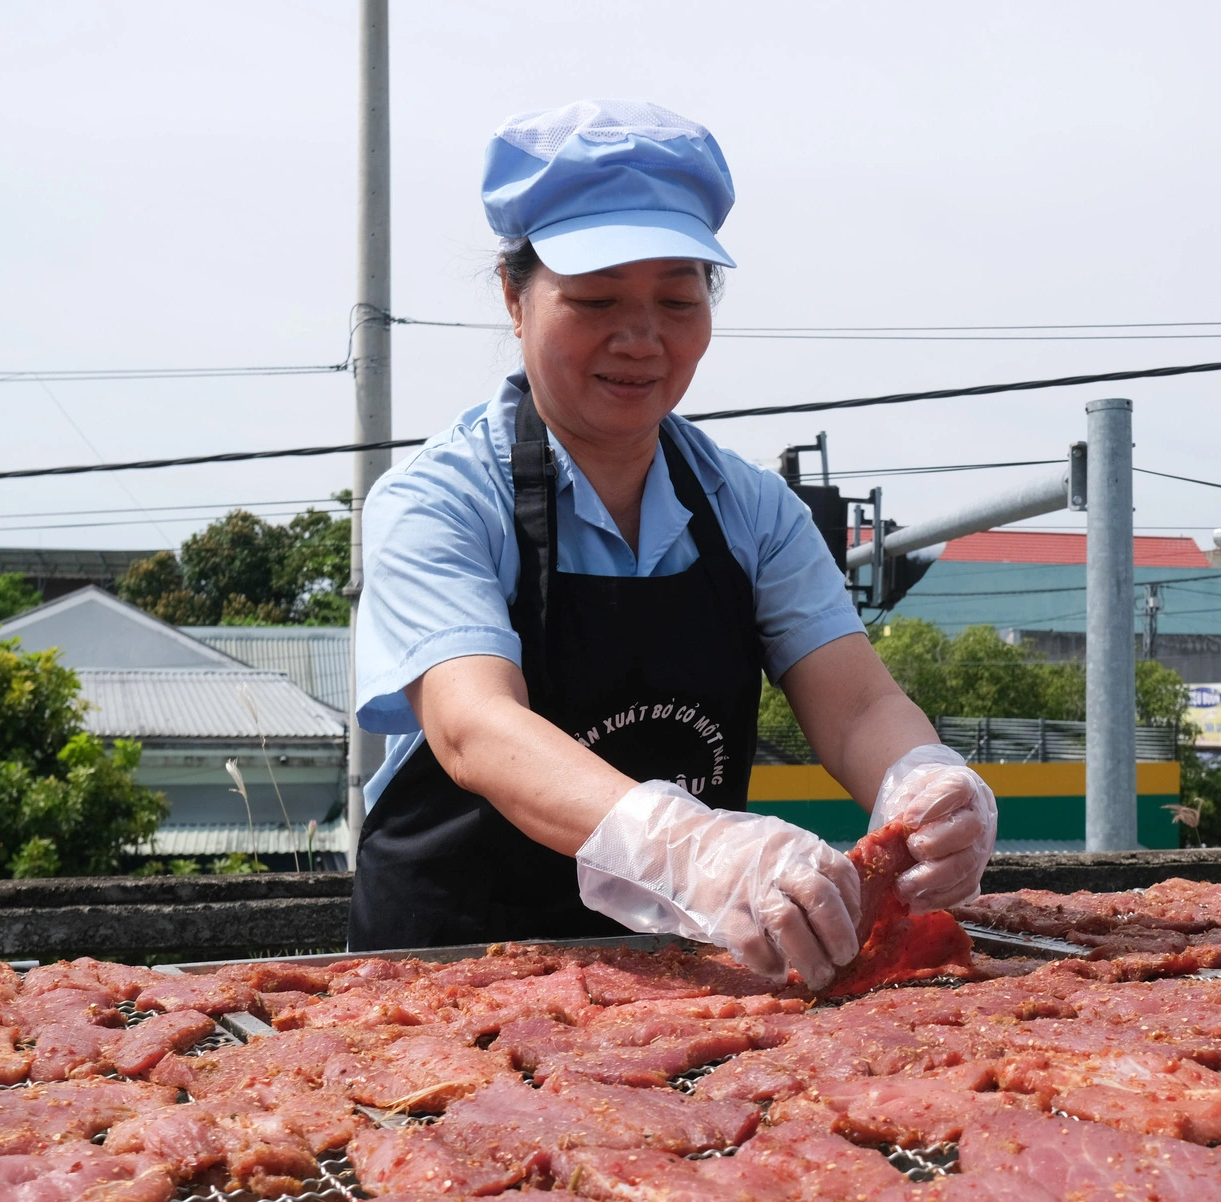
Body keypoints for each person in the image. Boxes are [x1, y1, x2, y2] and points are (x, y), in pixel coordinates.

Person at [348, 100, 996, 988]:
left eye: (677, 300)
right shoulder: (442, 501)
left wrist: (922, 780)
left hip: (689, 992)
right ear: (513, 296)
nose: (641, 338)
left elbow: (854, 706)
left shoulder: (752, 510)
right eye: (596, 300)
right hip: (453, 982)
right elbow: (475, 727)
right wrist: (688, 846)